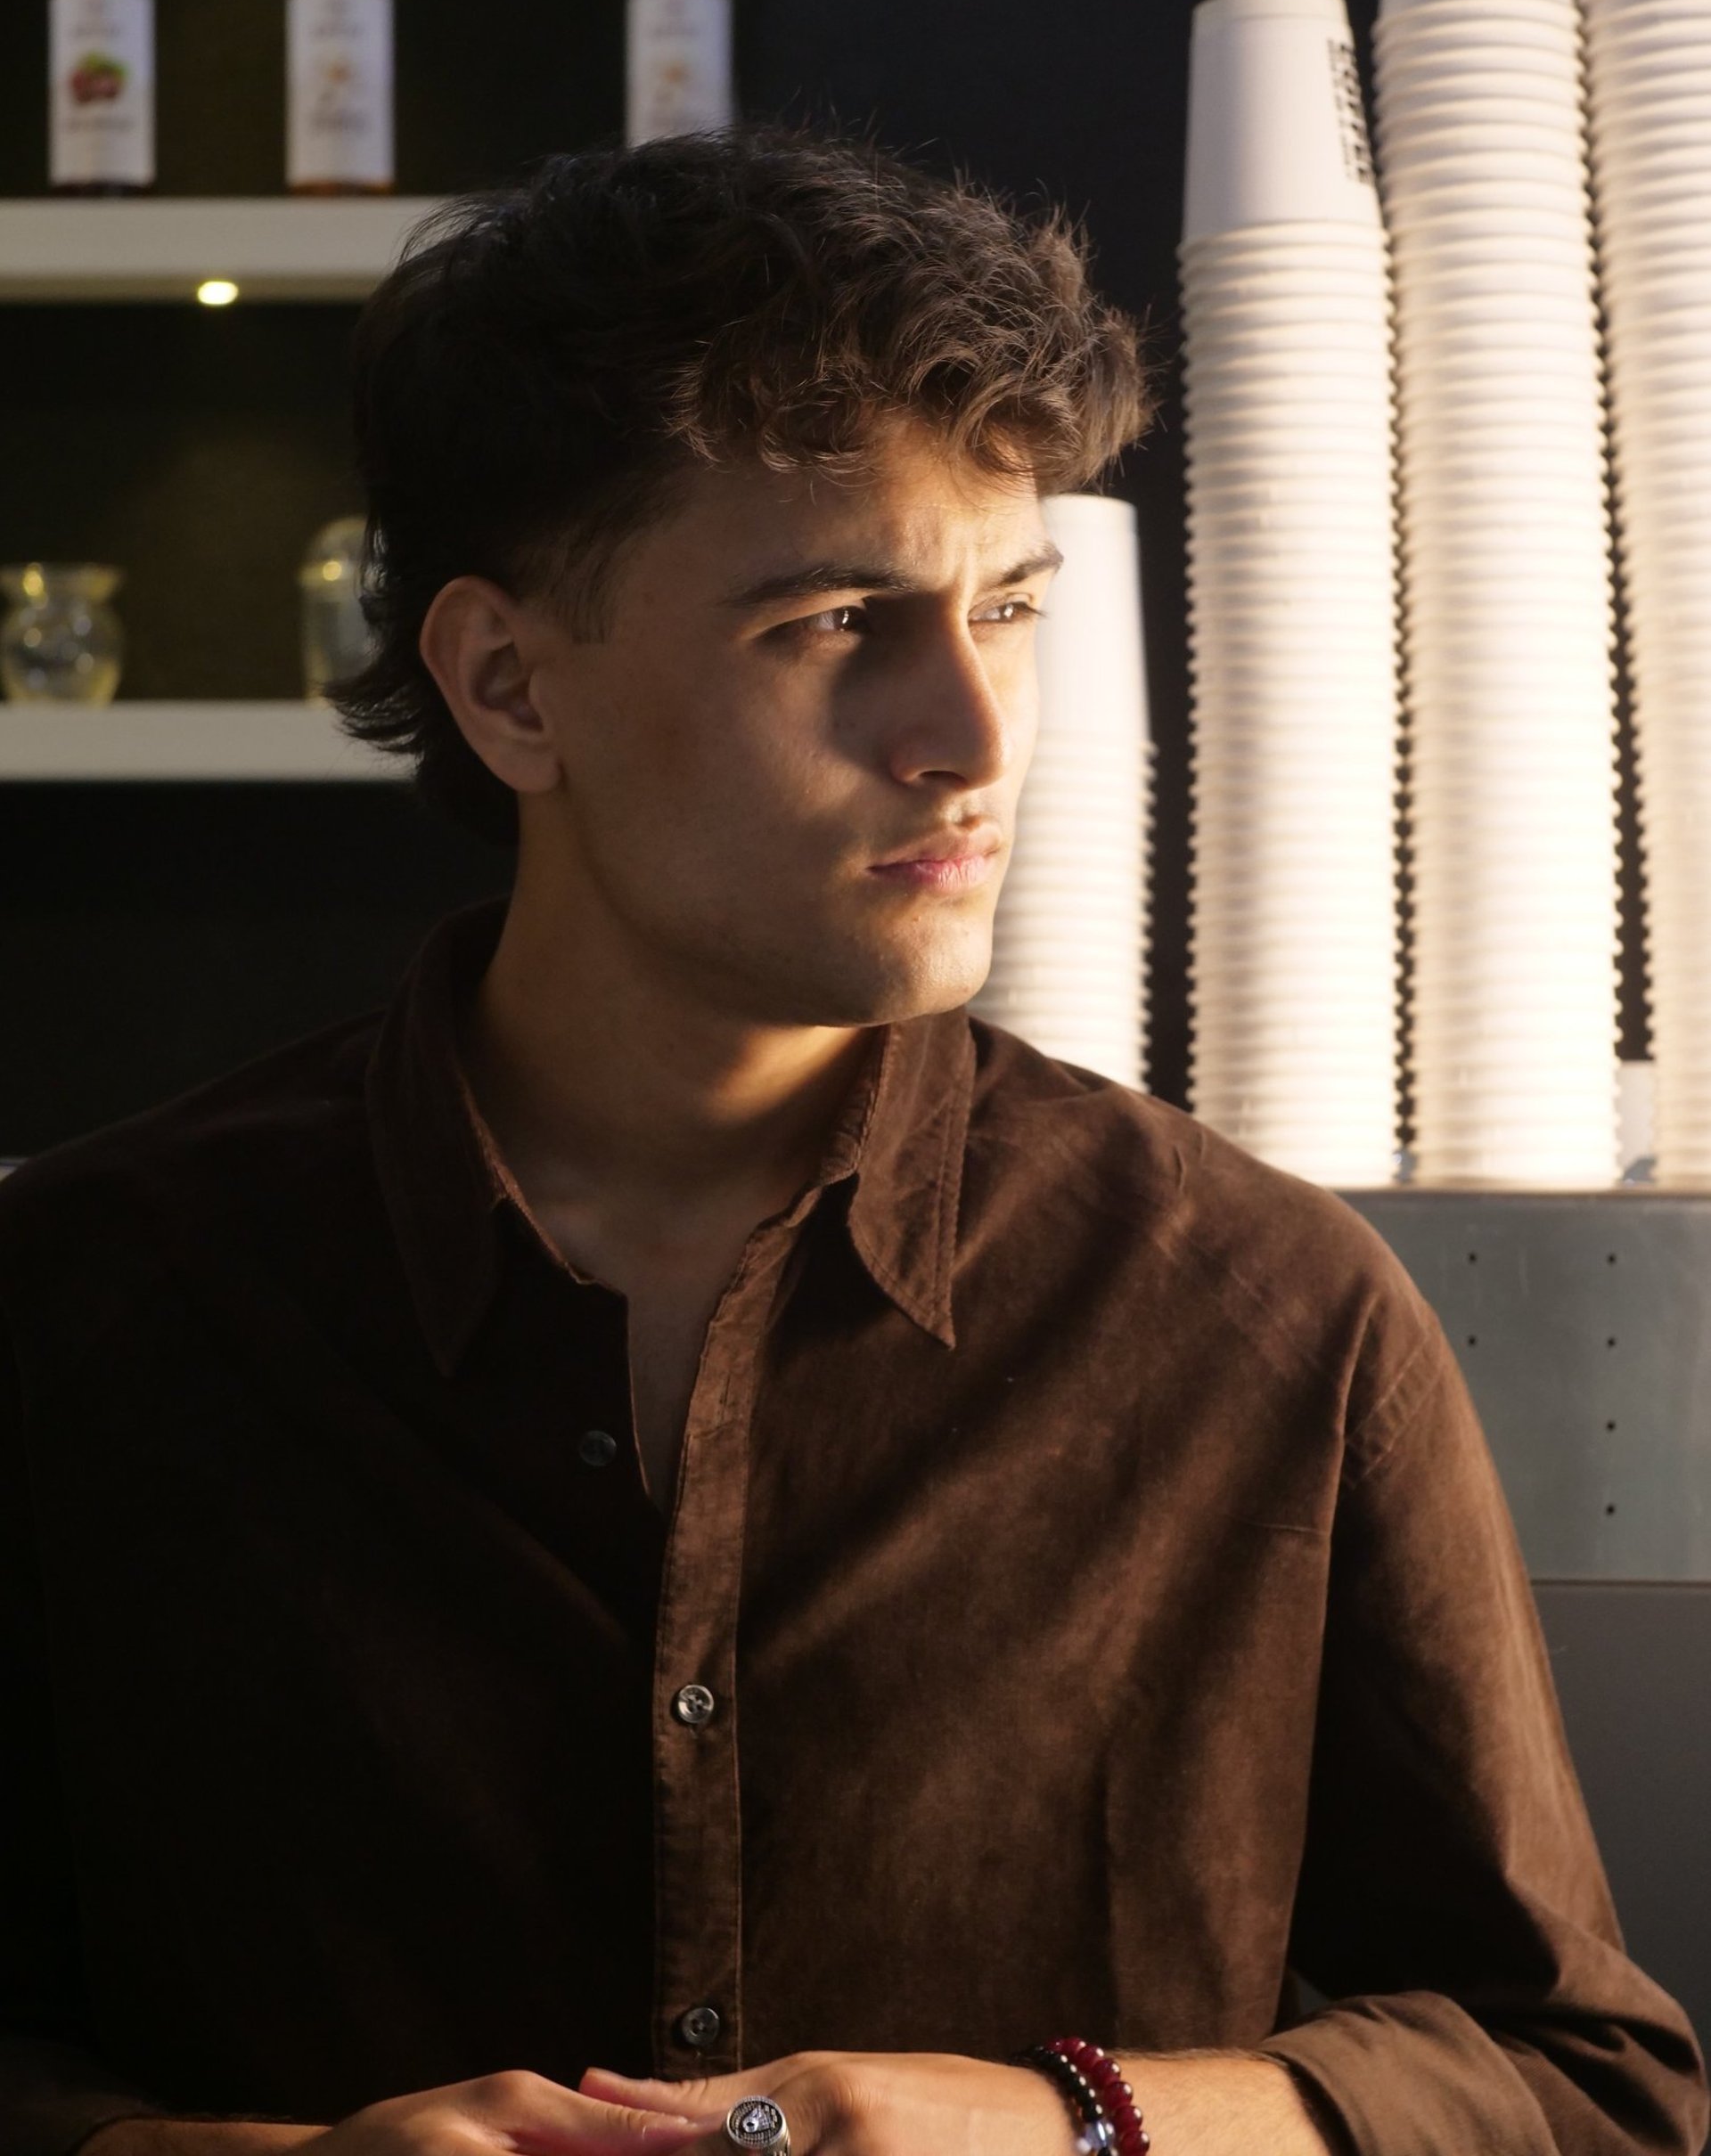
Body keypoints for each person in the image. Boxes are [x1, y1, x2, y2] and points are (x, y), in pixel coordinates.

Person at [0, 127, 1703, 2156]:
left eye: (1010, 606)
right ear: (508, 683)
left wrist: (1075, 2125)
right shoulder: (87, 1307)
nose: (972, 736)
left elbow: (1587, 2086)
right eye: (833, 623)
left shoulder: (1267, 1318)